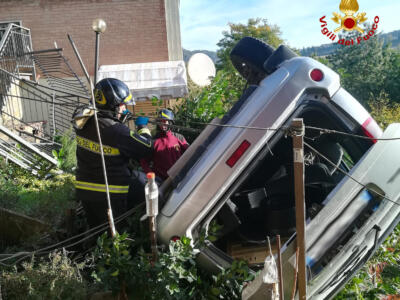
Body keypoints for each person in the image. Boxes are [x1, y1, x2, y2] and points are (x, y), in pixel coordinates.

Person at [72, 78, 153, 228]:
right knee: (116, 231)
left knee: (97, 230)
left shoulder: (82, 119)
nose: (124, 108)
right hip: (110, 192)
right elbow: (146, 147)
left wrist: (117, 116)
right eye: (122, 105)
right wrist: (143, 127)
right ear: (113, 105)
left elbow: (84, 113)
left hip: (85, 189)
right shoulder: (115, 130)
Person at [140, 109, 188, 181]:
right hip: (162, 182)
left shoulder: (179, 137)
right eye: (160, 121)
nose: (162, 124)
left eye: (165, 121)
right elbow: (144, 161)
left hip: (180, 178)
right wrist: (152, 176)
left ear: (170, 122)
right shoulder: (153, 141)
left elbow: (190, 153)